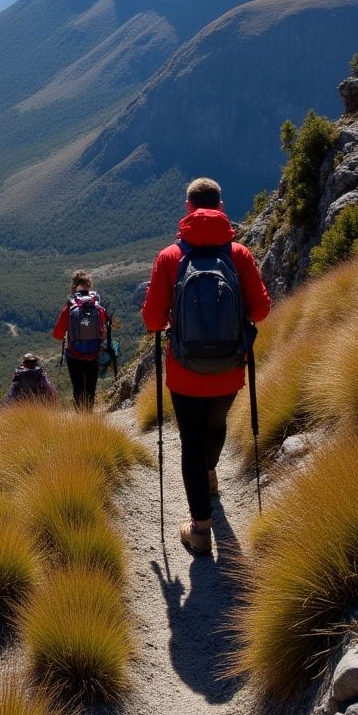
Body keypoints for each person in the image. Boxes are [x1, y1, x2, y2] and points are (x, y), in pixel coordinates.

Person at [142, 177, 271, 555]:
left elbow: (152, 321)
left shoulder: (170, 257)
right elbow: (261, 310)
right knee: (216, 424)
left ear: (188, 208)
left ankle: (200, 530)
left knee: (190, 442)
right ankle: (210, 475)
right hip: (230, 367)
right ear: (221, 206)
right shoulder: (239, 254)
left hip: (184, 372)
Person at [52, 271, 108, 410]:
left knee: (78, 388)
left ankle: (80, 418)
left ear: (74, 286)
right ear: (89, 285)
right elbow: (103, 332)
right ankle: (89, 414)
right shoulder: (96, 305)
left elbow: (58, 334)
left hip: (74, 354)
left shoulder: (71, 305)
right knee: (90, 387)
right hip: (94, 353)